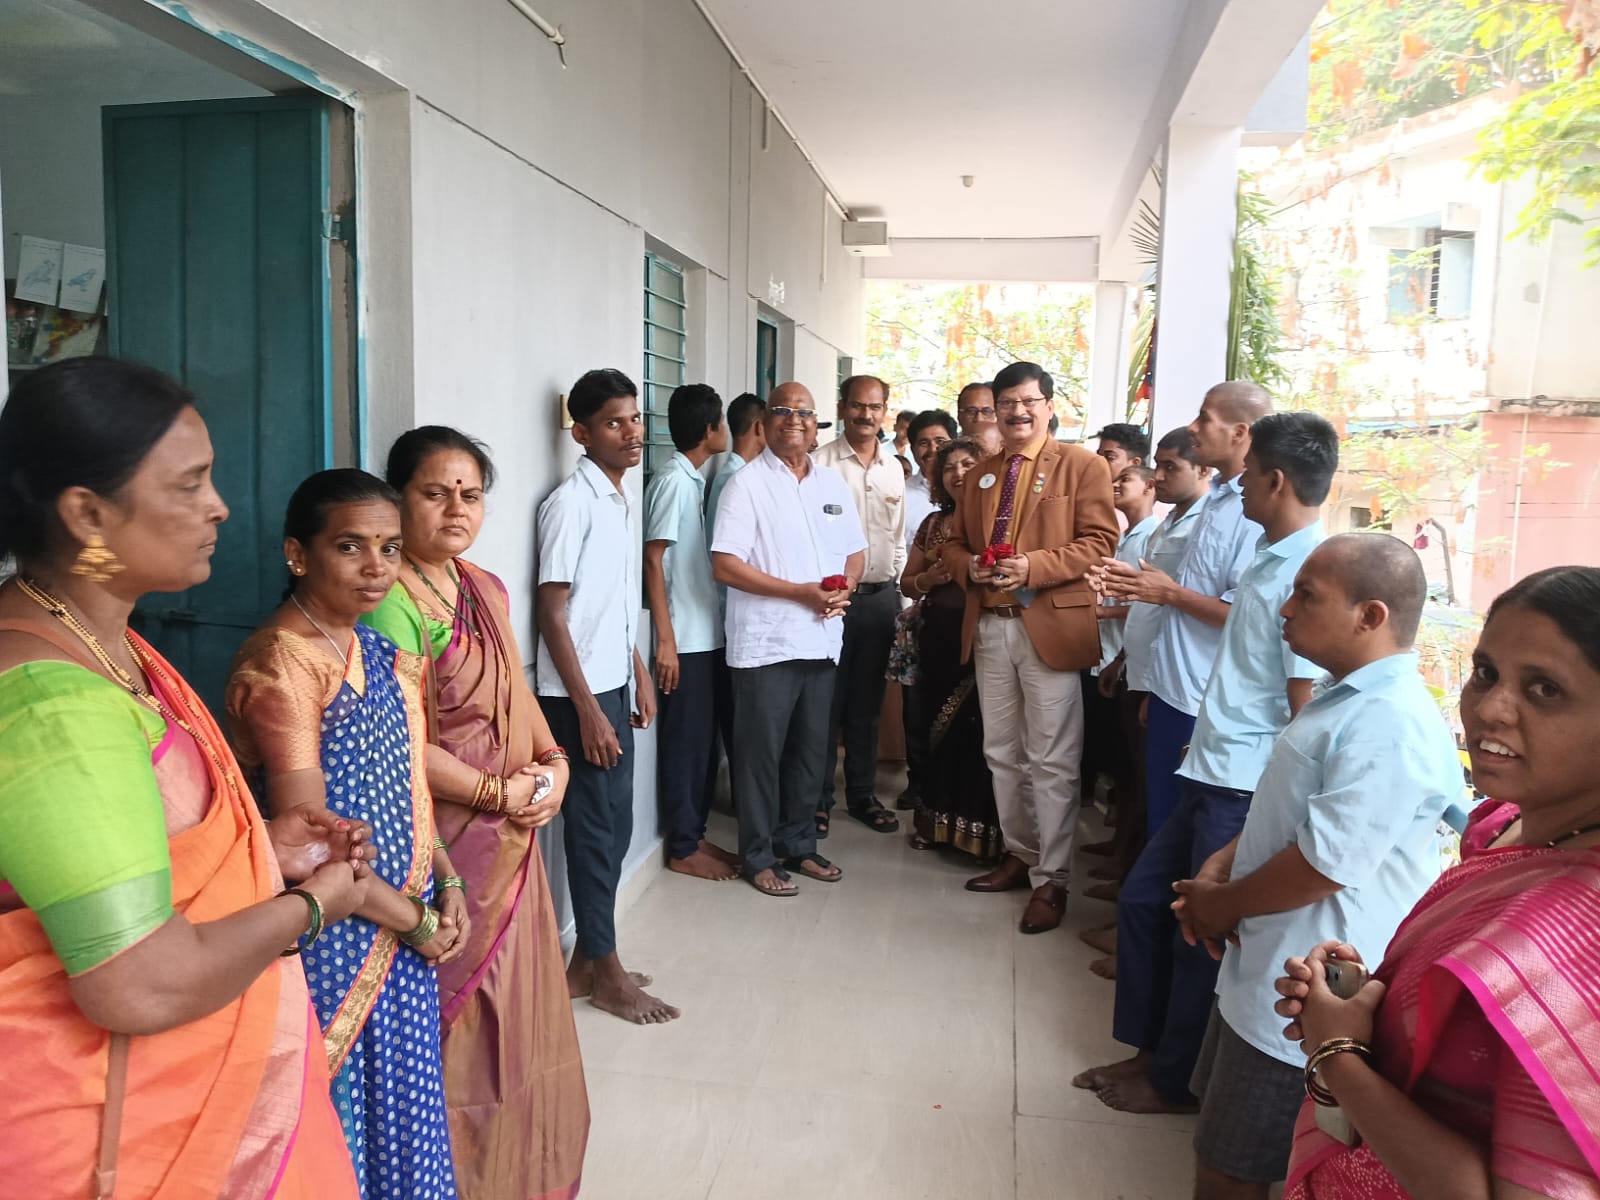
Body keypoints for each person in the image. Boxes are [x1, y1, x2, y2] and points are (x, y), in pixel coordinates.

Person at [0, 358, 366, 1200]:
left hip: (172, 1101)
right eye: (191, 485)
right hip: (109, 1133)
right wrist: (312, 907)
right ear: (88, 512)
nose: (219, 508)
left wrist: (260, 849)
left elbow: (132, 854)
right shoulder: (53, 703)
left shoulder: (109, 647)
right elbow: (137, 981)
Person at [1273, 565, 1600, 1200]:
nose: (1490, 708)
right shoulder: (1509, 828)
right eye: (1487, 672)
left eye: (1546, 690)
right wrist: (1384, 999)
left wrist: (1335, 1049)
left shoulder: (1577, 932)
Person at [1172, 535, 1460, 1199]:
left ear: (1371, 616)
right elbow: (1291, 816)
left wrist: (1224, 903)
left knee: (1233, 1171)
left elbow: (1324, 862)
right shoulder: (1345, 699)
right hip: (1266, 964)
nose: (1286, 609)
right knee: (1221, 1149)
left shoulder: (1388, 719)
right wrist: (1222, 868)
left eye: (1308, 595)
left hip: (1301, 988)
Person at [1078, 410, 1337, 1115]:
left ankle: (1171, 1079)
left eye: (1248, 476)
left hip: (1241, 784)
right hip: (1207, 761)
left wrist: (1273, 812)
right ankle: (1149, 1049)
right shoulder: (1268, 556)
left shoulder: (1310, 577)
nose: (1238, 487)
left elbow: (1302, 701)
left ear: (1275, 479)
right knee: (1144, 902)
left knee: (1198, 930)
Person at [365, 427, 589, 1200]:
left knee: (517, 1024)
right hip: (443, 842)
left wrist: (554, 764)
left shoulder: (483, 587)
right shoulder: (387, 601)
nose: (456, 508)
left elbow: (518, 698)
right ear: (399, 498)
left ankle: (513, 1172)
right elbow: (404, 744)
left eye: (471, 493)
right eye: (435, 492)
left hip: (513, 841)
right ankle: (449, 1177)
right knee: (454, 1024)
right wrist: (500, 796)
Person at [226, 469, 460, 1196]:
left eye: (390, 549)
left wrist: (444, 877)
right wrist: (416, 921)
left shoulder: (375, 650)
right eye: (351, 546)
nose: (376, 567)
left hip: (397, 918)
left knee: (402, 1114)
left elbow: (407, 787)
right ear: (299, 554)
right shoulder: (284, 664)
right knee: (341, 1124)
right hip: (333, 934)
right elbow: (316, 849)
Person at [938, 361, 1119, 934]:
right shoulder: (981, 474)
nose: (1017, 413)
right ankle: (1019, 855)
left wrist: (1031, 566)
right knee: (1001, 752)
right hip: (991, 627)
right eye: (1005, 404)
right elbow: (956, 543)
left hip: (1049, 627)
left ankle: (1053, 879)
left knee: (1053, 761)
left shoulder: (1082, 466)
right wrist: (968, 564)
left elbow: (1100, 540)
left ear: (1048, 405)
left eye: (1028, 402)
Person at [536, 369, 670, 1024]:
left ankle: (590, 958)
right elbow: (552, 613)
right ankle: (608, 974)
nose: (632, 432)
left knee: (613, 827)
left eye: (635, 418)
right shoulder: (571, 503)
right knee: (593, 830)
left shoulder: (621, 497)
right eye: (615, 423)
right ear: (581, 433)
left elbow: (610, 607)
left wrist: (638, 667)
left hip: (613, 682)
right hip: (574, 697)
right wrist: (587, 709)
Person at [1098, 382, 1274, 835]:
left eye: (1204, 419)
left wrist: (1168, 593)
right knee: (1159, 815)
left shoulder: (1250, 510)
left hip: (1204, 699)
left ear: (1240, 432)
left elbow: (1244, 613)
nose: (1194, 428)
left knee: (1182, 829)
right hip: (1172, 688)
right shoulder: (1216, 498)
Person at [711, 383, 865, 896]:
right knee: (759, 756)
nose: (793, 420)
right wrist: (800, 593)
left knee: (810, 753)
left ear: (817, 422)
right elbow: (725, 565)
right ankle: (757, 855)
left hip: (822, 640)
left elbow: (855, 552)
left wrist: (845, 590)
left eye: (803, 412)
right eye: (782, 411)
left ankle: (799, 846)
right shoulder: (746, 485)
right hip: (767, 646)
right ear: (765, 424)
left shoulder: (831, 486)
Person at [1082, 427, 1214, 978]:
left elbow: (1172, 604)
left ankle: (1147, 942)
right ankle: (1136, 924)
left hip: (1187, 693)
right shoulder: (1174, 524)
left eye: (1170, 467)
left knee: (1165, 818)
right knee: (1145, 799)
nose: (1160, 477)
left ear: (1206, 470)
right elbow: (1152, 611)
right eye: (1156, 466)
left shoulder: (1215, 523)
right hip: (1156, 680)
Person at [643, 384, 741, 882]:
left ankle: (695, 834)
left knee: (705, 746)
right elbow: (653, 559)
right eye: (722, 422)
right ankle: (682, 846)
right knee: (686, 745)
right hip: (684, 641)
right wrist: (665, 640)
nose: (726, 431)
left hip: (705, 636)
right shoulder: (673, 482)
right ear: (709, 430)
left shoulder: (692, 479)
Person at [811, 375, 907, 835]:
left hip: (880, 598)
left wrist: (900, 595)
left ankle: (863, 795)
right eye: (857, 406)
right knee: (825, 703)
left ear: (885, 410)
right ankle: (818, 798)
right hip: (832, 601)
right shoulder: (820, 464)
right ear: (842, 407)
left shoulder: (893, 467)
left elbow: (898, 536)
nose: (865, 415)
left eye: (874, 407)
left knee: (867, 706)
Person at [901, 437, 1002, 861]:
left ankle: (981, 832)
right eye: (949, 468)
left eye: (967, 464)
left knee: (981, 734)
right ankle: (933, 824)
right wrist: (932, 580)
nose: (958, 473)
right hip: (937, 639)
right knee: (931, 730)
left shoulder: (998, 523)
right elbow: (907, 582)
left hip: (987, 638)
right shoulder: (932, 525)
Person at [1081, 464, 1160, 896]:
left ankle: (1127, 864)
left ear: (1149, 487)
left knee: (1136, 773)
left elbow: (1149, 602)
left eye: (1124, 480)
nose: (1115, 486)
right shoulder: (1125, 534)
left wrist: (1103, 612)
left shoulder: (1151, 536)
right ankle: (1118, 847)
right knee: (1121, 765)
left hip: (1133, 664)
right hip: (1116, 655)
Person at [897, 409, 959, 813]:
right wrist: (928, 583)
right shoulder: (929, 516)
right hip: (926, 625)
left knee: (965, 721)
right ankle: (922, 788)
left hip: (976, 632)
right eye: (924, 442)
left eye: (943, 445)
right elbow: (907, 577)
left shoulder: (990, 517)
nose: (933, 451)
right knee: (920, 712)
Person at [706, 391, 767, 793]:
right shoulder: (735, 479)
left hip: (732, 620)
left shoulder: (736, 473)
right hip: (733, 620)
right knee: (743, 727)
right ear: (761, 428)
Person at [904, 409, 957, 554]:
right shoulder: (901, 496)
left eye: (940, 441)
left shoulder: (968, 493)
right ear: (913, 449)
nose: (933, 449)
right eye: (923, 443)